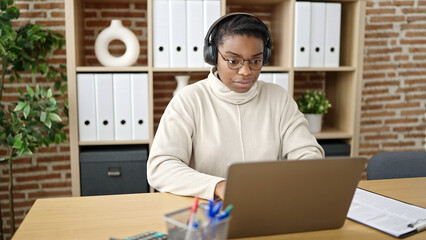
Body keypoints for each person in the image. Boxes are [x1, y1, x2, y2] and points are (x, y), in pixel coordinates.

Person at [147, 13, 324, 200]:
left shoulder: (278, 98)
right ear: (213, 56)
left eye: (256, 61)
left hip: (268, 204)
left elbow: (308, 153)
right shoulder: (189, 100)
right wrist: (218, 186)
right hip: (208, 211)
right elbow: (161, 166)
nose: (246, 72)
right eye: (233, 61)